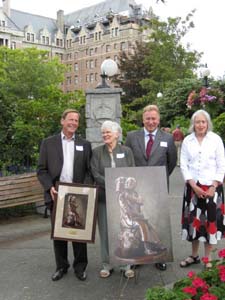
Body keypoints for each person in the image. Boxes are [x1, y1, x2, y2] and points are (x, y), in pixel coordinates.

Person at [37, 109, 92, 282]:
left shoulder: (85, 144)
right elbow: (41, 170)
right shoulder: (48, 143)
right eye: (70, 120)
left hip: (78, 194)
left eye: (76, 120)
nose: (73, 123)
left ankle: (80, 267)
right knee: (59, 234)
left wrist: (85, 188)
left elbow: (89, 170)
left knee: (79, 234)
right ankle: (61, 266)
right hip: (57, 194)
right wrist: (49, 187)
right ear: (62, 121)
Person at [125, 104, 177, 271]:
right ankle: (138, 256)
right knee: (138, 222)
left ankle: (159, 257)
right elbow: (127, 161)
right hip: (137, 189)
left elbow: (171, 162)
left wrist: (158, 179)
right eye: (148, 118)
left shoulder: (167, 138)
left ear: (158, 119)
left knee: (157, 220)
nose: (151, 121)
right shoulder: (132, 137)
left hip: (158, 187)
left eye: (154, 118)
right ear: (143, 119)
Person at [179, 109, 225, 269]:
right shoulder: (187, 141)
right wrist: (193, 185)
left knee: (209, 223)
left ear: (207, 123)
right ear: (193, 124)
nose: (200, 125)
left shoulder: (216, 140)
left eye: (203, 122)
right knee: (194, 223)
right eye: (197, 122)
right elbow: (183, 165)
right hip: (193, 188)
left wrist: (214, 186)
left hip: (212, 188)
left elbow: (221, 165)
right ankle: (194, 255)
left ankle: (208, 258)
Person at [91, 120, 135, 279]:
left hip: (124, 199)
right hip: (104, 198)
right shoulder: (97, 152)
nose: (105, 135)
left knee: (125, 229)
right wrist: (112, 182)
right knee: (105, 231)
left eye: (108, 132)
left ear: (117, 134)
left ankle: (126, 264)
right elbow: (95, 173)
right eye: (103, 132)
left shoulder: (127, 151)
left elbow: (132, 171)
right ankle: (107, 264)